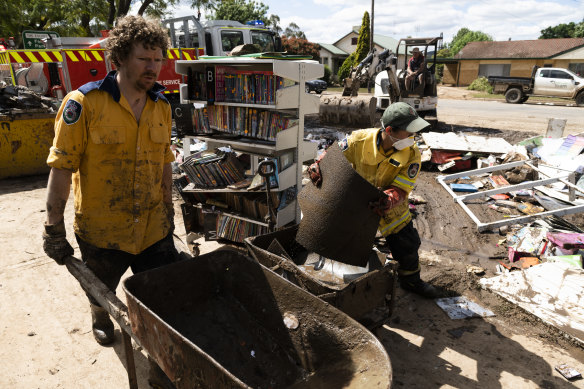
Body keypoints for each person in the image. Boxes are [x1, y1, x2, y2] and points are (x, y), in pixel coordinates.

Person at [42, 15, 178, 388]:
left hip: (153, 227)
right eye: (143, 58)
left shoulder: (161, 106)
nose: (153, 67)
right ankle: (99, 315)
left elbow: (165, 162)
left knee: (159, 300)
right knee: (100, 285)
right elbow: (61, 168)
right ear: (120, 57)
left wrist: (168, 213)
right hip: (103, 231)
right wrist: (53, 227)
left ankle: (159, 364)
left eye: (157, 58)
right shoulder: (84, 104)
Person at [309, 102, 437, 298]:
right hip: (357, 206)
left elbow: (402, 188)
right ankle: (347, 285)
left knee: (407, 246)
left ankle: (411, 281)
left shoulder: (412, 153)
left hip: (392, 210)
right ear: (389, 130)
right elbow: (333, 155)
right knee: (346, 246)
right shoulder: (359, 140)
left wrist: (388, 199)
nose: (413, 137)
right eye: (409, 132)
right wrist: (319, 165)